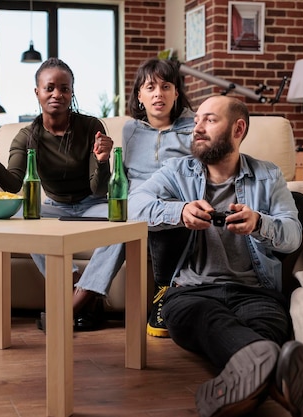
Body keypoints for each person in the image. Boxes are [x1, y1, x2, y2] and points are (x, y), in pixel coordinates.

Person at [135, 95, 303, 417]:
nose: (197, 128)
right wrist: (180, 211)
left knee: (269, 324)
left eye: (209, 120)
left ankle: (247, 378)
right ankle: (281, 380)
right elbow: (134, 205)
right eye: (196, 121)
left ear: (238, 129)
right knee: (207, 320)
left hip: (255, 292)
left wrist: (259, 223)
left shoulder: (268, 176)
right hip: (191, 293)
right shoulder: (176, 171)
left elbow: (291, 236)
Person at [0, 57, 114, 331]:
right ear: (37, 92)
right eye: (50, 88)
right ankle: (80, 294)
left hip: (93, 204)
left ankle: (72, 305)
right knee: (24, 218)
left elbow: (99, 188)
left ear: (72, 92)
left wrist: (104, 159)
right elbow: (13, 185)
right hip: (55, 207)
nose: (57, 94)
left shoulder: (90, 127)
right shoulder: (26, 136)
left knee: (125, 224)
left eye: (64, 88)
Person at [76, 58, 195, 336]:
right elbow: (125, 175)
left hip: (173, 202)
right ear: (139, 96)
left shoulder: (193, 128)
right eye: (150, 87)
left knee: (130, 222)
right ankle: (85, 299)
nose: (158, 94)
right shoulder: (131, 130)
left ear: (176, 93)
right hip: (138, 203)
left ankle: (79, 300)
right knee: (124, 222)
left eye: (166, 86)